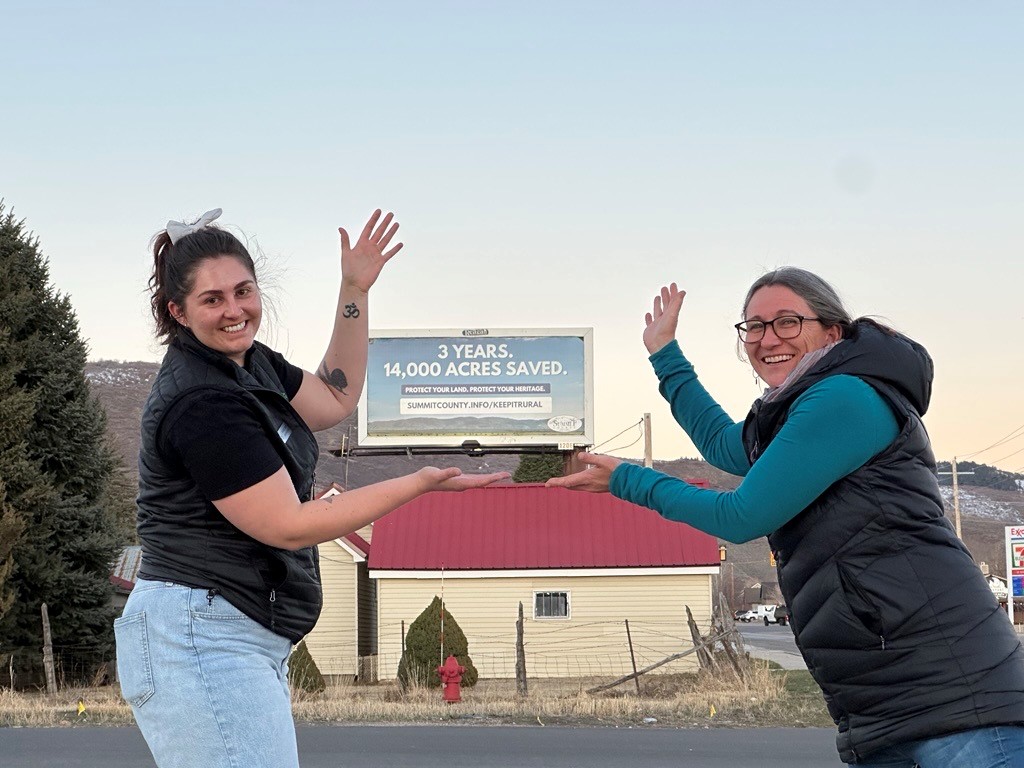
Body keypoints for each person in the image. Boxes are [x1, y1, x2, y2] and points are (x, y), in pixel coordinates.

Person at [549, 268, 1024, 766]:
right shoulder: (798, 407)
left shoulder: (845, 398)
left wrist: (628, 480)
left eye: (787, 321)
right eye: (754, 326)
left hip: (958, 696)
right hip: (883, 706)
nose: (767, 338)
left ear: (832, 332)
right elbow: (722, 445)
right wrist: (665, 353)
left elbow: (741, 516)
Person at [114, 208, 508, 768]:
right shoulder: (202, 403)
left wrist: (355, 291)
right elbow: (289, 525)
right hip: (200, 632)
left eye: (243, 291)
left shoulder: (248, 365)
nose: (235, 310)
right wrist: (418, 483)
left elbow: (334, 396)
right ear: (178, 311)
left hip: (229, 627)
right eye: (212, 299)